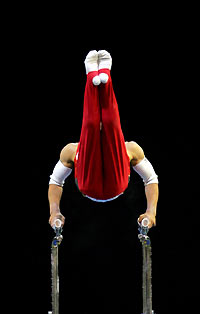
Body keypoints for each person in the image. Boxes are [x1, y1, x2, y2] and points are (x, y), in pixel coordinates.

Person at [48, 50, 159, 229]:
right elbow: (55, 181)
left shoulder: (130, 148)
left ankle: (95, 76)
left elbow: (151, 179)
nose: (102, 131)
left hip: (115, 184)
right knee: (93, 124)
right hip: (91, 184)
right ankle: (98, 76)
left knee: (105, 123)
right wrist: (54, 211)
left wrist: (151, 211)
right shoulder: (72, 150)